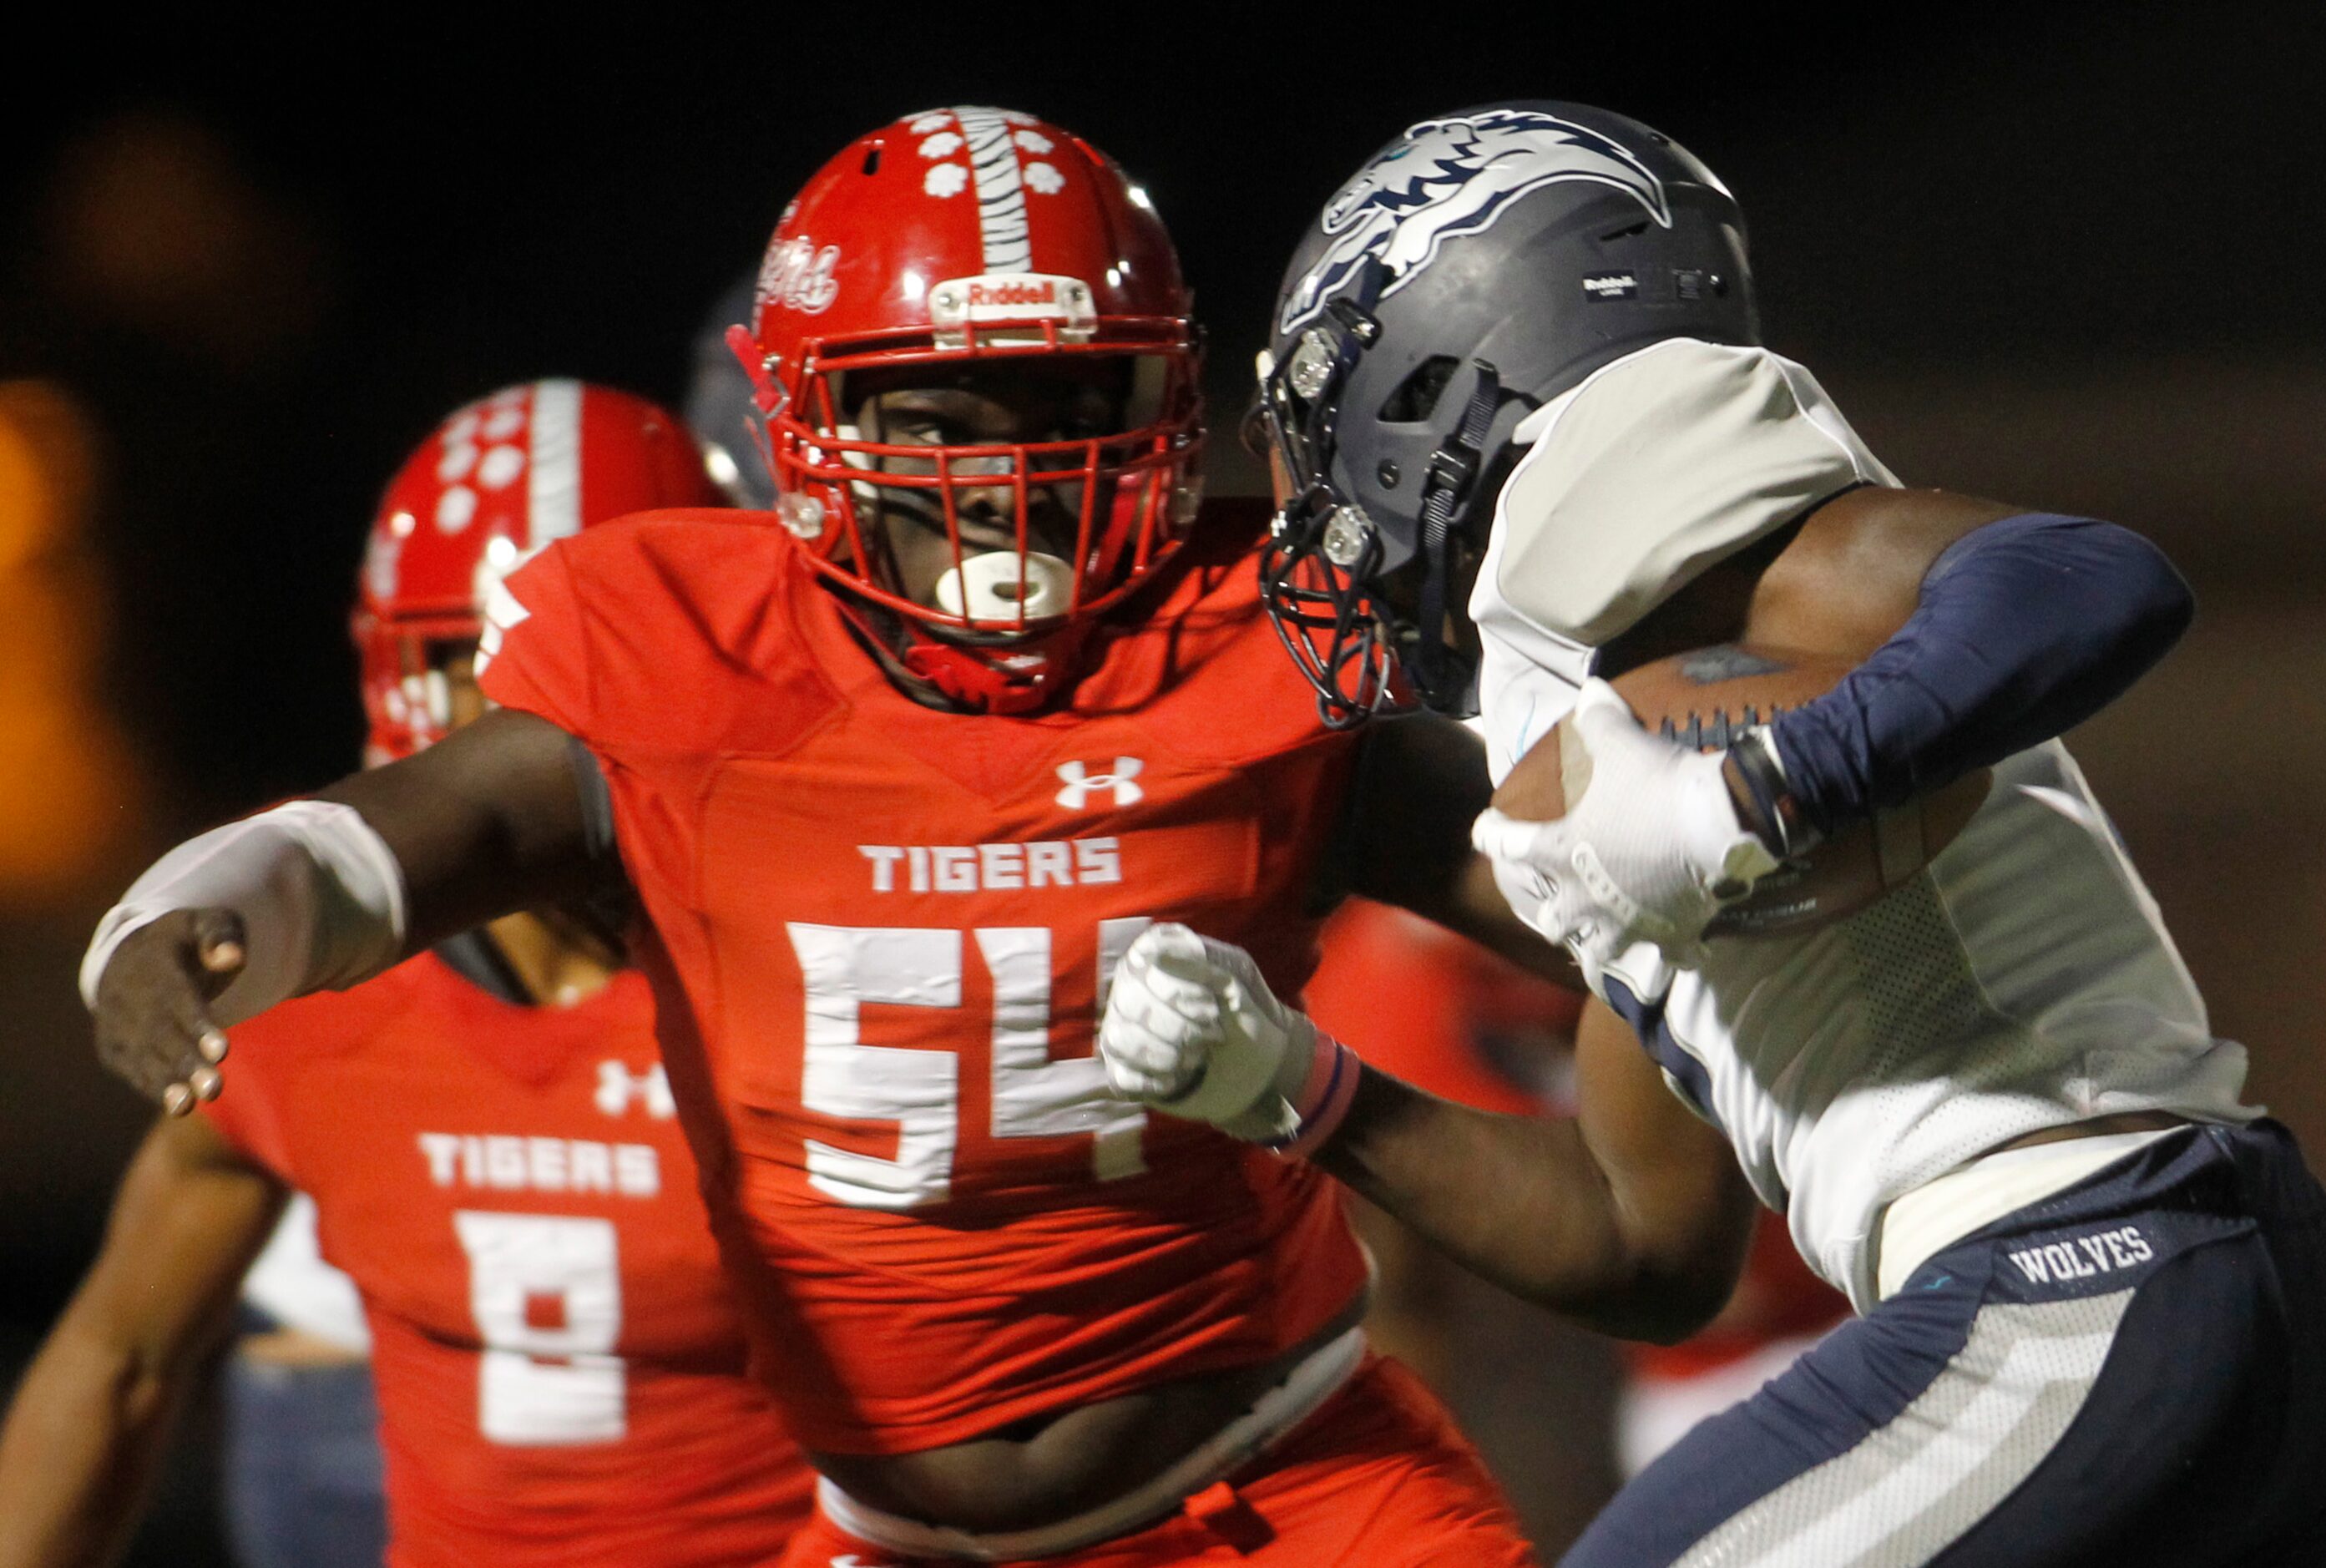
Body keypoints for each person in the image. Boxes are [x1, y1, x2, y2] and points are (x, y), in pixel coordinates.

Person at [79, 112, 1543, 1566]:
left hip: (1284, 1492)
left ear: (1164, 392)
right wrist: (199, 908)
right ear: (798, 422)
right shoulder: (696, 655)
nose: (1006, 476)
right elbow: (388, 836)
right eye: (934, 415)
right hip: (896, 1538)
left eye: (1062, 400)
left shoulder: (1259, 641)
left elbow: (1591, 891)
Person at [1096, 101, 2326, 1564]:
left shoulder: (1666, 524)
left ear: (1449, 365)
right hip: (2184, 1274)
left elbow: (2088, 577)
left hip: (2089, 1265)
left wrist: (1771, 788)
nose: (1311, 503)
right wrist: (1290, 1081)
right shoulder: (1600, 723)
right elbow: (1647, 1246)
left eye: (1327, 408)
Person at [4, 382, 816, 1568]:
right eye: (483, 665)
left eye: (595, 662)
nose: (530, 720)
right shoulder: (320, 1002)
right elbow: (120, 1358)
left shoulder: (810, 971)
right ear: (400, 675)